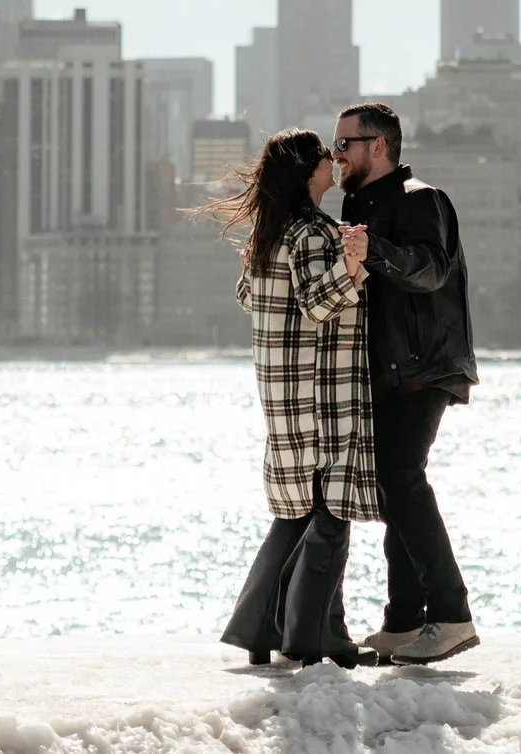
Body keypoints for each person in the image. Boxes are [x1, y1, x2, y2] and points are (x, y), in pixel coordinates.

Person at [204, 129, 379, 668]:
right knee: (330, 512)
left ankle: (260, 628)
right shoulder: (313, 231)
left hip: (280, 390)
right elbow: (316, 304)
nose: (334, 161)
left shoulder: (269, 232)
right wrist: (353, 267)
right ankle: (311, 638)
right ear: (309, 170)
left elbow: (250, 295)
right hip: (323, 390)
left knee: (295, 514)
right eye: (326, 156)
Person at [332, 101, 480, 665]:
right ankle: (403, 622)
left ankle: (450, 614)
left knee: (401, 479)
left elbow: (430, 268)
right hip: (389, 369)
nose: (337, 152)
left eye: (346, 142)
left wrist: (375, 251)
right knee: (394, 486)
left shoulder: (421, 198)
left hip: (422, 366)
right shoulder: (357, 203)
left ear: (378, 146)